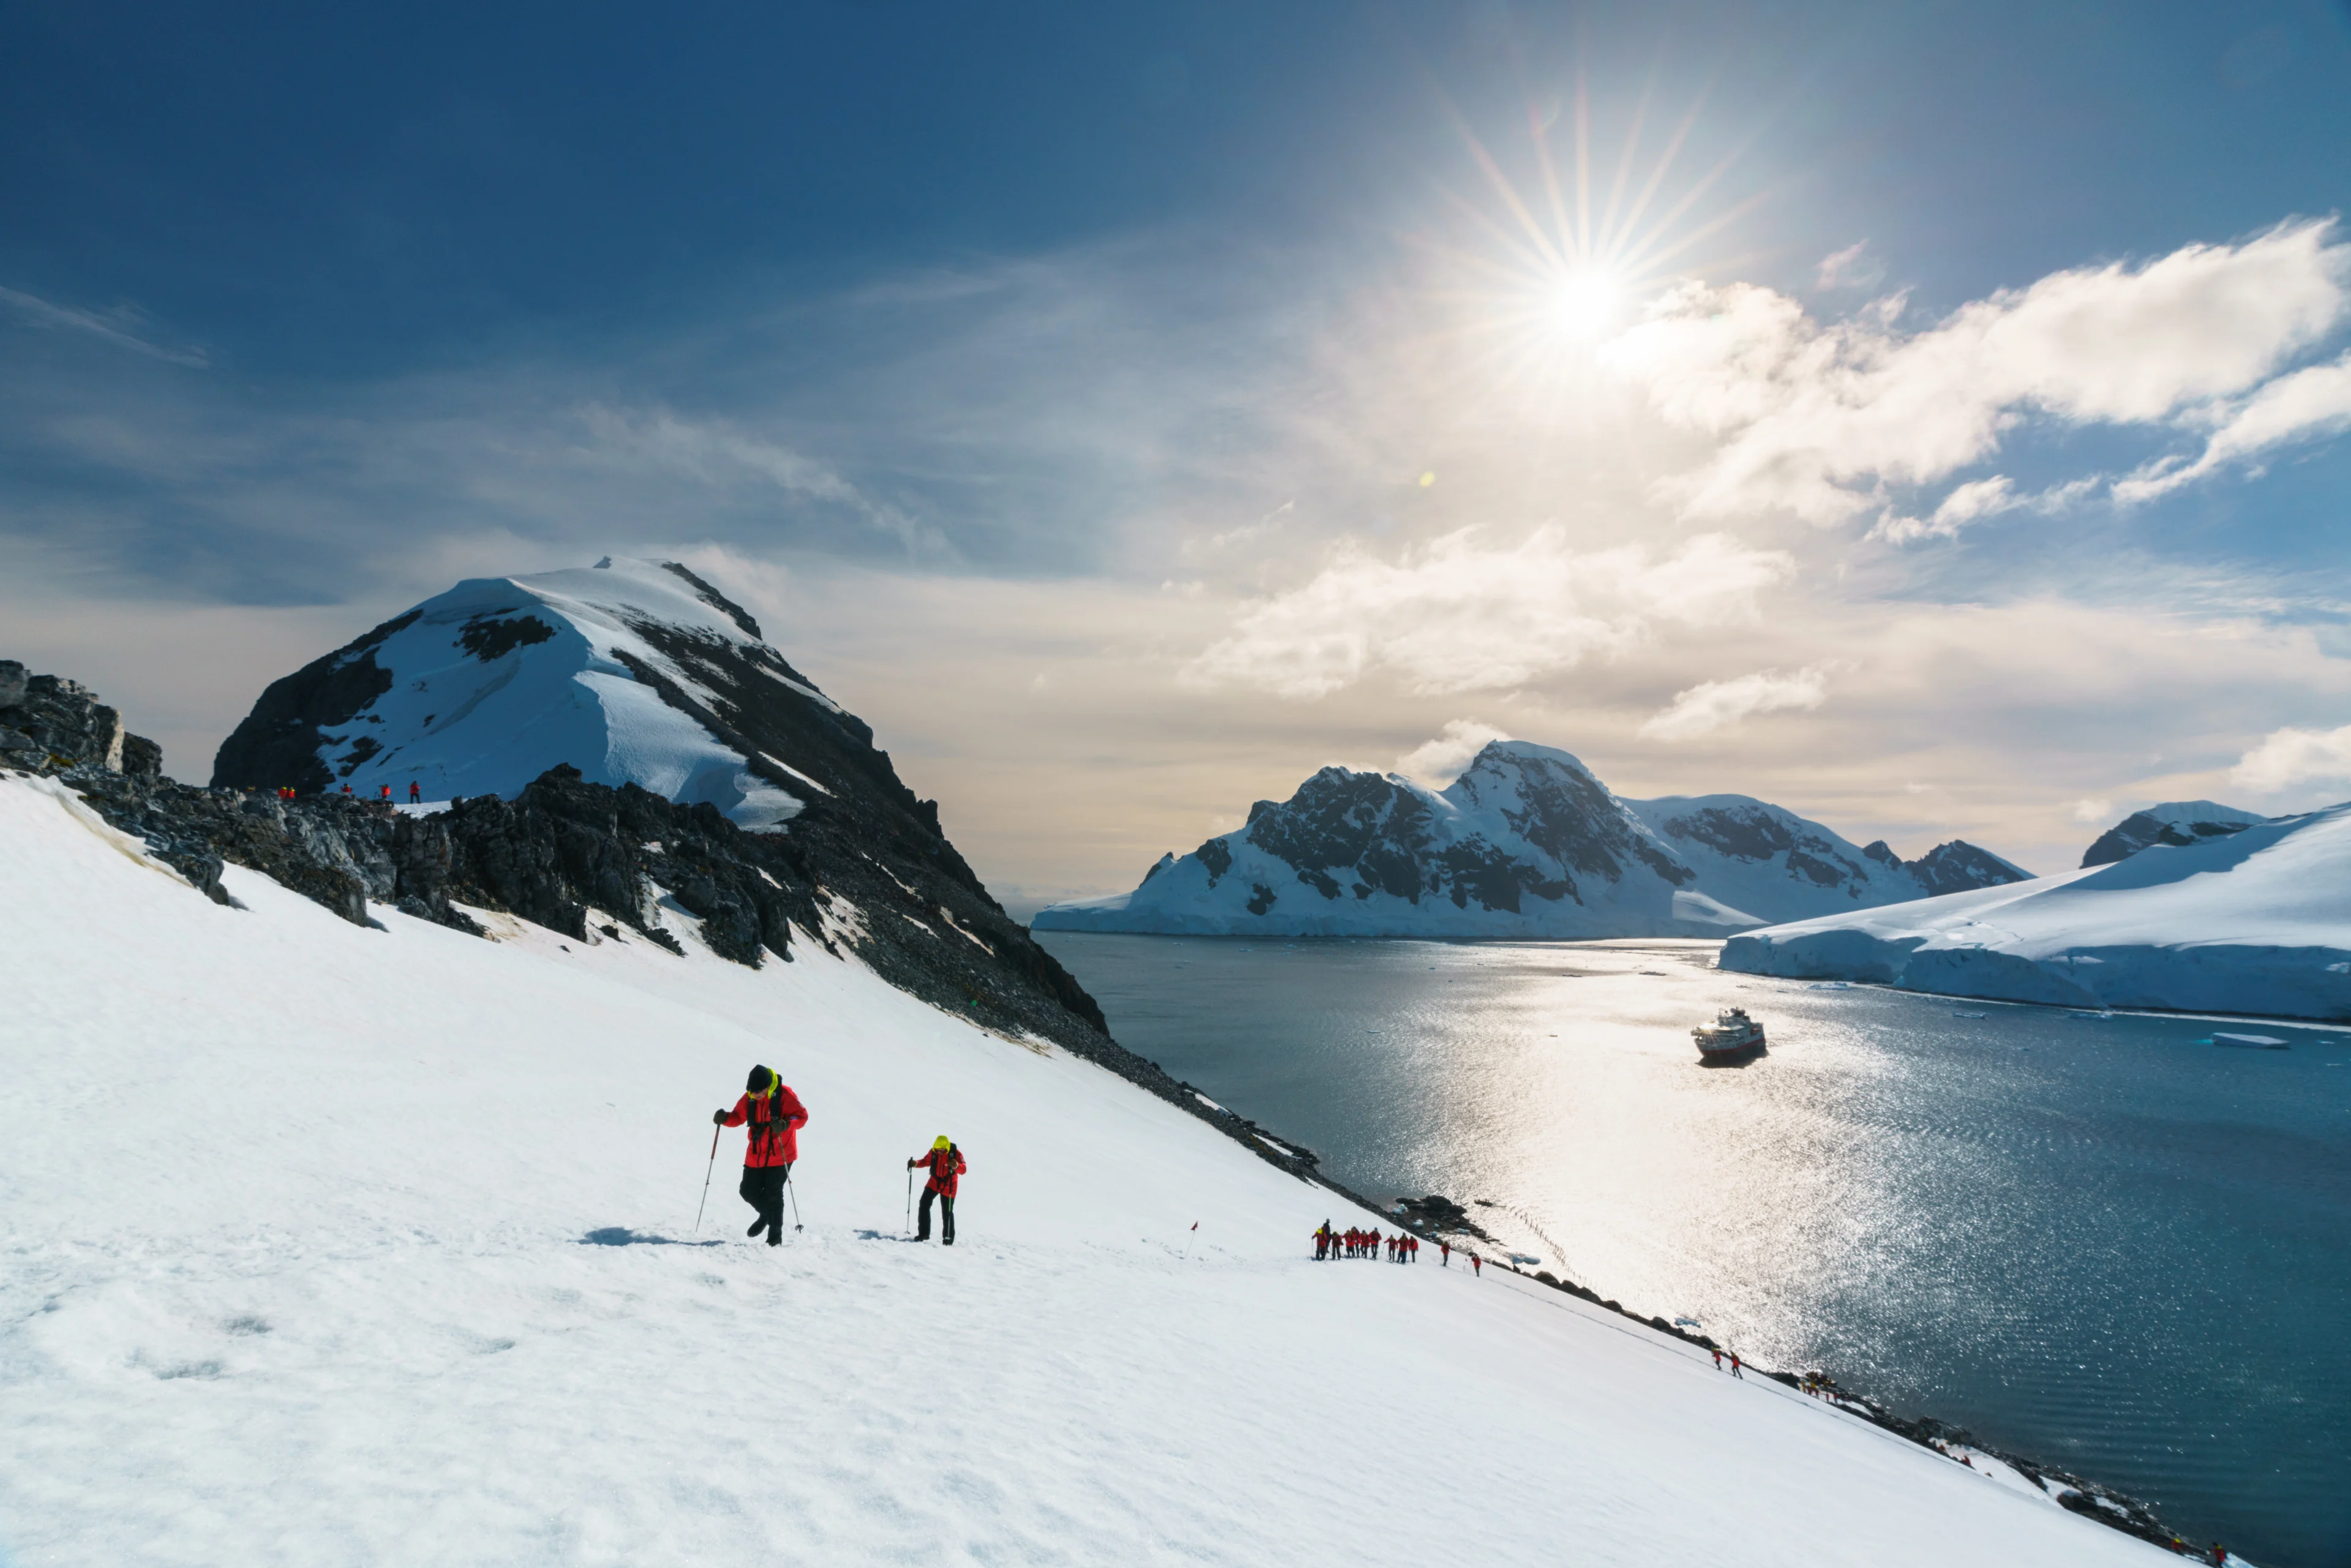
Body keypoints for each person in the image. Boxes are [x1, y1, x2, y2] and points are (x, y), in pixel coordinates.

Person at [714, 1065, 808, 1245]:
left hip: (781, 1154)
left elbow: (801, 1117)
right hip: (755, 1154)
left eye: (759, 1091)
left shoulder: (784, 1095)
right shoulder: (749, 1098)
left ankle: (775, 1238)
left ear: (768, 1086)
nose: (756, 1095)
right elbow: (738, 1117)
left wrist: (786, 1124)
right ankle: (766, 1215)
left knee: (774, 1194)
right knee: (747, 1191)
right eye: (752, 1091)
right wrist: (725, 1118)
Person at [908, 1135, 966, 1245]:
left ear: (947, 1148)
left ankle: (948, 1239)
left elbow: (964, 1170)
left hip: (950, 1185)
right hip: (934, 1181)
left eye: (942, 1150)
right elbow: (925, 1161)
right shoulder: (933, 1152)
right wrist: (915, 1164)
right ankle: (924, 1234)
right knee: (924, 1204)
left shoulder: (955, 1153)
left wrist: (956, 1165)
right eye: (938, 1150)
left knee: (947, 1212)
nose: (940, 1152)